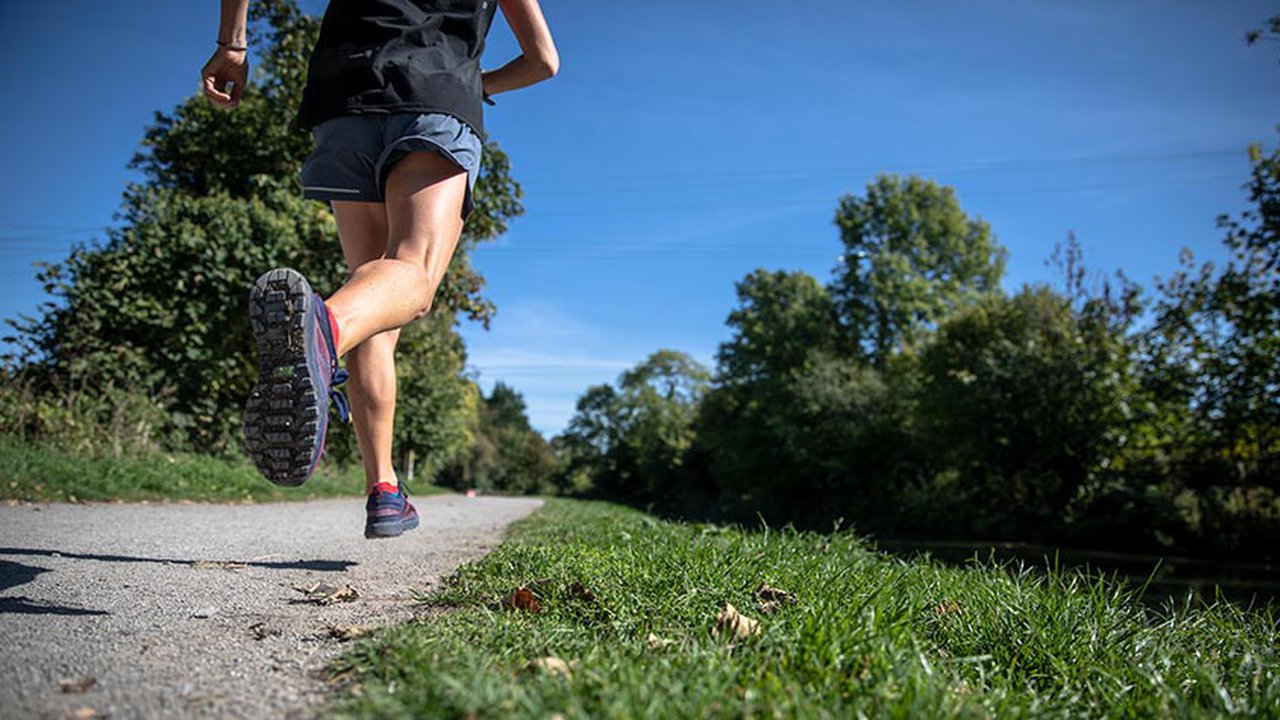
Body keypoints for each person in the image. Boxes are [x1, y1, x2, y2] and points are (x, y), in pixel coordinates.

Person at [200, 0, 558, 538]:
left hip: (344, 97)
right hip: (436, 96)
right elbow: (543, 61)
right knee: (410, 274)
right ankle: (323, 333)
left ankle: (384, 487)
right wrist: (473, 82)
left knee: (373, 292)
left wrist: (233, 45)